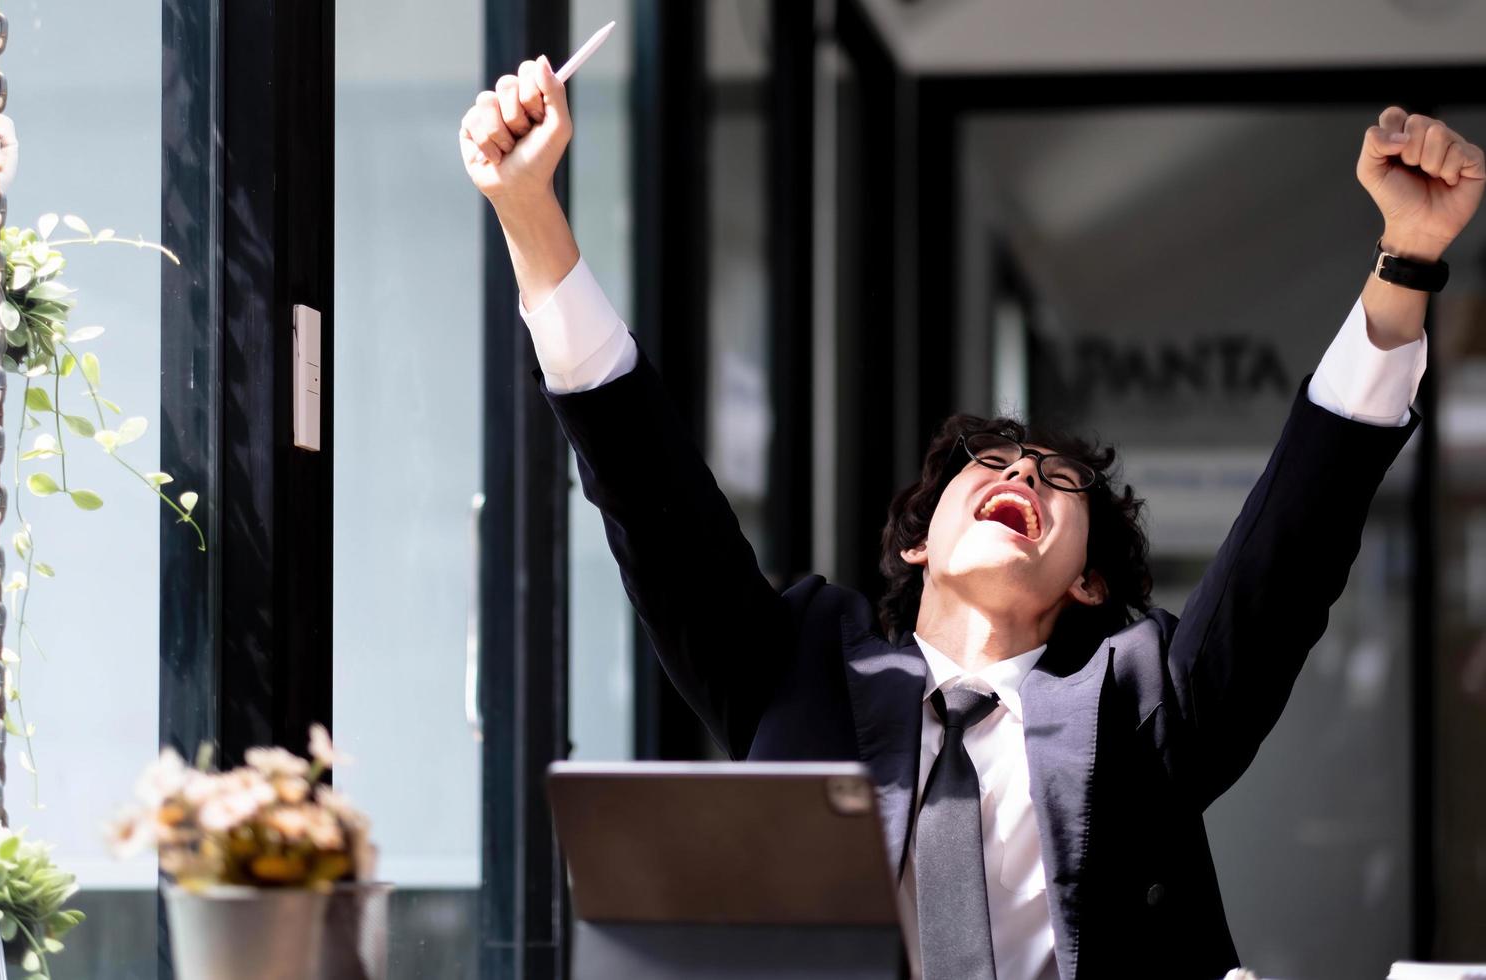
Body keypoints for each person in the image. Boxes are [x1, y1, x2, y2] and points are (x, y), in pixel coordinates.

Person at [458, 57, 1482, 980]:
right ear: (917, 542)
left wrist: (1406, 261)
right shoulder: (799, 661)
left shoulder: (1142, 694)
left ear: (1088, 579)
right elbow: (651, 491)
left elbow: (1287, 550)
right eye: (990, 465)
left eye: (1053, 480)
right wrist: (527, 214)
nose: (1021, 476)